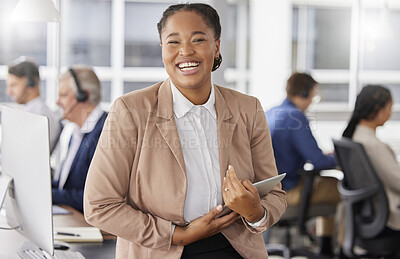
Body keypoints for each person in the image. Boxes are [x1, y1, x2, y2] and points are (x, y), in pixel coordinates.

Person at [84, 3, 286, 259]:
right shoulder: (130, 110)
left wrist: (255, 211)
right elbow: (99, 206)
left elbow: (275, 194)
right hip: (160, 250)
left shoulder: (248, 108)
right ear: (162, 50)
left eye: (198, 39)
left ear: (216, 47)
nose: (185, 52)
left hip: (234, 249)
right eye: (173, 42)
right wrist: (179, 235)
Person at [265, 72, 340, 256]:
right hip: (287, 191)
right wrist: (339, 159)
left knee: (325, 184)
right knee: (340, 188)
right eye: (313, 96)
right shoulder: (295, 117)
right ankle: (332, 249)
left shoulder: (272, 112)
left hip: (268, 189)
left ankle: (324, 246)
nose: (311, 101)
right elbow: (318, 161)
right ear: (305, 93)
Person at [343, 84, 400, 235]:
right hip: (389, 215)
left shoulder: (355, 137)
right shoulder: (373, 145)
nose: (390, 113)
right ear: (377, 109)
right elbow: (398, 181)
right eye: (390, 107)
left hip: (369, 212)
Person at [52, 65, 107, 213]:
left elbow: (95, 198)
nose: (58, 102)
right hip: (73, 217)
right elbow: (67, 186)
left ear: (84, 96)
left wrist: (49, 195)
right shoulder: (76, 132)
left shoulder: (105, 133)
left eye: (63, 95)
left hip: (91, 227)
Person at [6, 57, 61, 153]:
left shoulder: (40, 115)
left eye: (14, 85)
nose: (9, 92)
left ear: (31, 83)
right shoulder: (29, 111)